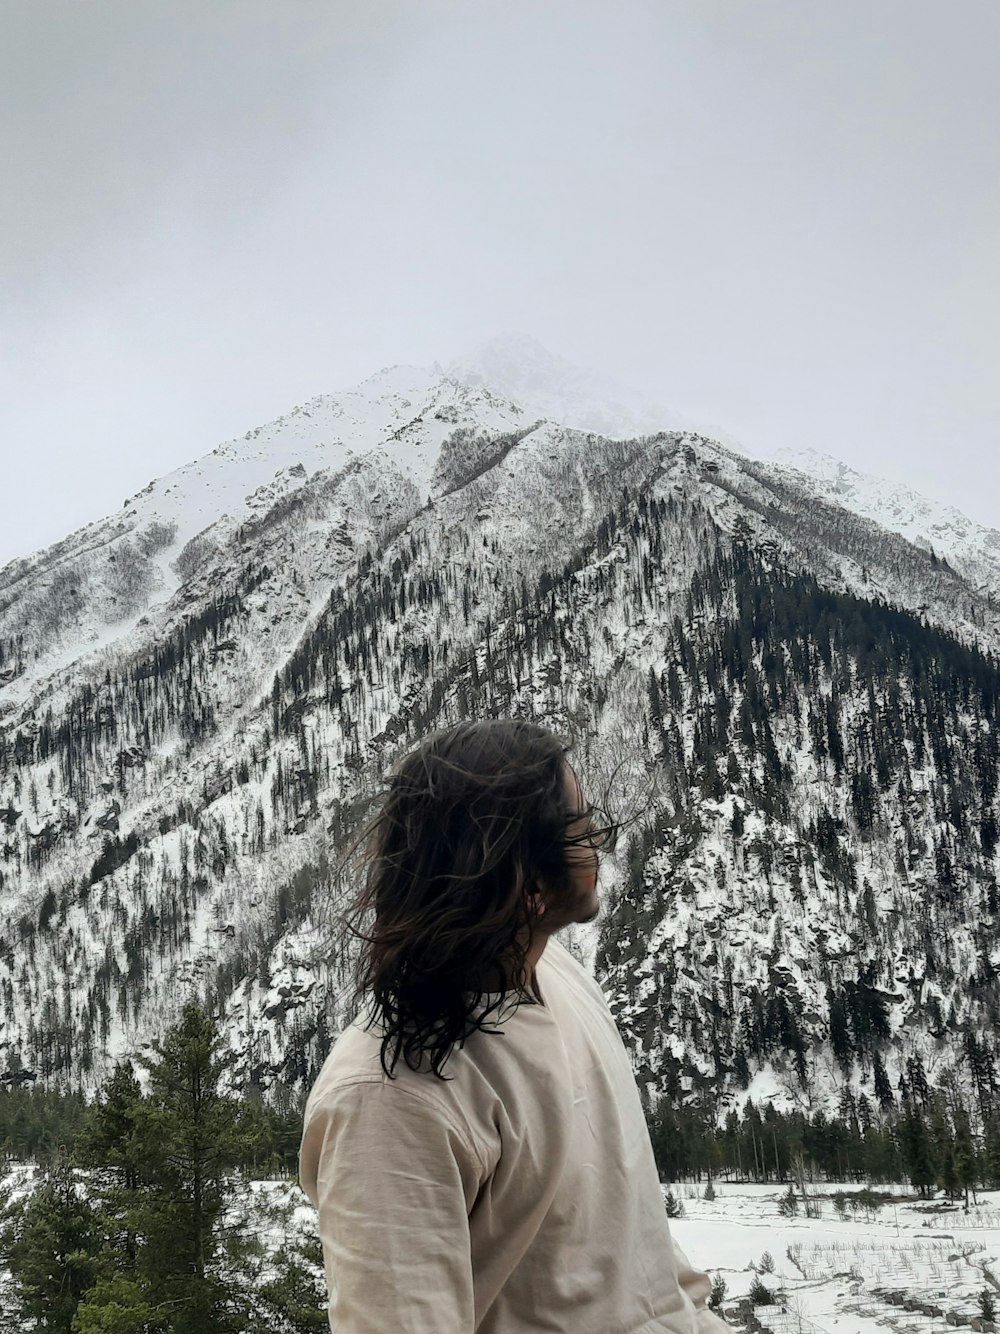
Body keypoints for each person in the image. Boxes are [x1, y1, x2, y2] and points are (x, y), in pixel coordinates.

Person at [299, 717, 728, 1334]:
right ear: (521, 876)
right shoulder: (385, 1099)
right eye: (581, 831)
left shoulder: (559, 973)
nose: (597, 848)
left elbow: (629, 1229)